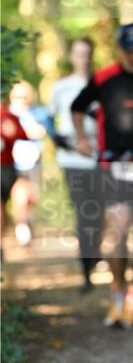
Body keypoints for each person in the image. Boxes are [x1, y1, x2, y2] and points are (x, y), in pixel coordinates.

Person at [71, 23, 133, 328]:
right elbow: (77, 107)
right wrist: (83, 139)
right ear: (119, 50)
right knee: (117, 232)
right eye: (128, 51)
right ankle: (118, 293)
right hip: (112, 166)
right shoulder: (104, 78)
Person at [50, 37, 103, 291]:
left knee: (101, 213)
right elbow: (52, 130)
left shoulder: (101, 83)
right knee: (85, 212)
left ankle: (95, 255)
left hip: (102, 159)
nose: (83, 58)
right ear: (71, 56)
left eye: (87, 54)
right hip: (73, 161)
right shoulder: (60, 87)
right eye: (78, 54)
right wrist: (76, 146)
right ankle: (86, 271)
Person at [8, 81, 52, 246]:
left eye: (24, 96)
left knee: (32, 196)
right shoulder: (8, 113)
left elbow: (41, 131)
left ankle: (28, 219)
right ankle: (22, 227)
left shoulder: (37, 113)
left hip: (34, 161)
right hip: (14, 162)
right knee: (20, 195)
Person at [1, 99, 28, 256]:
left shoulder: (9, 116)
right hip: (7, 168)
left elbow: (20, 135)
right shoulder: (9, 115)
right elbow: (21, 135)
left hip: (7, 167)